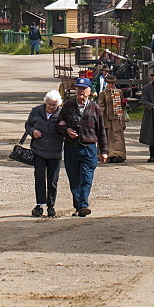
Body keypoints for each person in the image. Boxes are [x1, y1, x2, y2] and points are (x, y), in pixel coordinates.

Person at [58, 77, 108, 216]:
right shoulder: (68, 106)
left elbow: (101, 130)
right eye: (78, 88)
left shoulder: (95, 108)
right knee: (74, 178)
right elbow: (58, 125)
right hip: (71, 148)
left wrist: (103, 151)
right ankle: (79, 206)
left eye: (83, 89)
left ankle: (83, 204)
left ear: (89, 91)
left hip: (89, 147)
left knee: (86, 177)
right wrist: (66, 130)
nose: (80, 91)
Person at [25, 90, 65, 217]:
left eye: (54, 105)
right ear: (45, 103)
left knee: (53, 180)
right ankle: (39, 204)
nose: (51, 107)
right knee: (40, 178)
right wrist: (33, 131)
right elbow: (28, 125)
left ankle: (51, 206)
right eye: (49, 104)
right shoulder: (36, 111)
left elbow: (67, 128)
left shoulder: (62, 113)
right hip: (39, 151)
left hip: (55, 152)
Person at [100, 75, 127, 163]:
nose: (111, 85)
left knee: (118, 137)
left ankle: (119, 155)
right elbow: (101, 105)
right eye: (109, 83)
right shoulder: (103, 93)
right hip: (108, 119)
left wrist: (124, 103)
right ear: (107, 83)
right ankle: (109, 155)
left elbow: (123, 106)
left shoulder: (119, 92)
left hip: (118, 118)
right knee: (109, 138)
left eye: (112, 83)